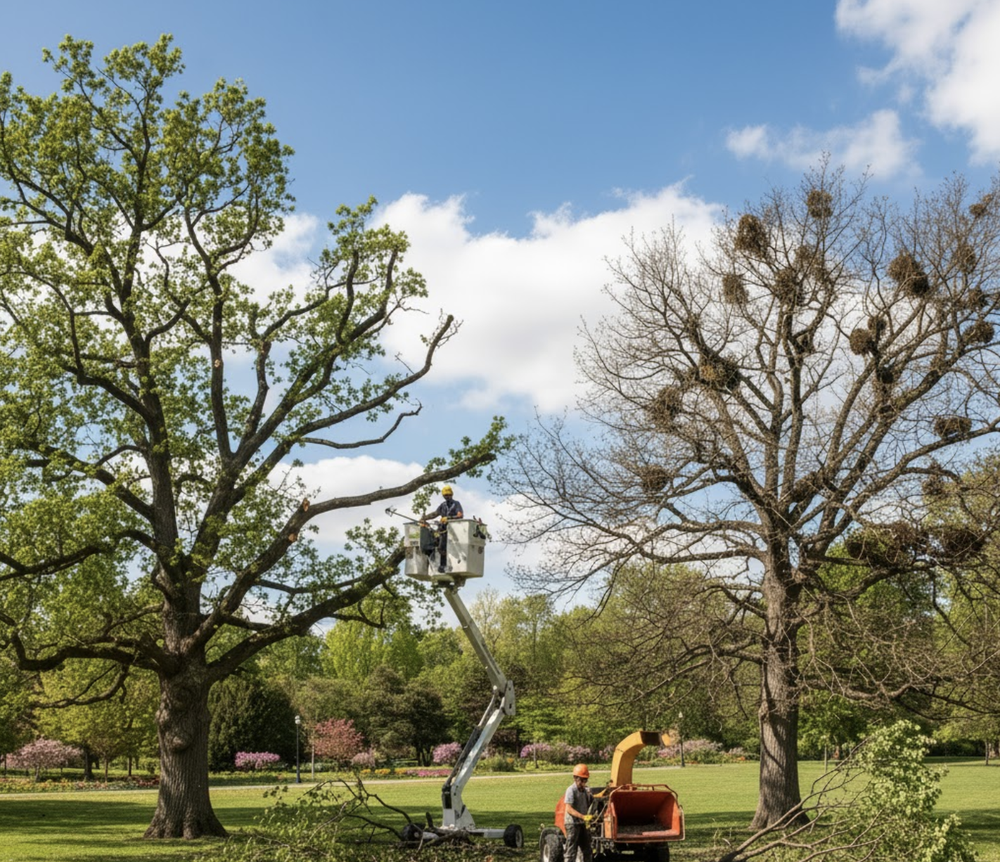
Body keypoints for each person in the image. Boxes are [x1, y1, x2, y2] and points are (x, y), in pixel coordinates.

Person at [421, 485, 463, 573]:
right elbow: (435, 513)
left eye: (449, 495)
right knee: (433, 542)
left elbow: (460, 515)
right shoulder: (443, 505)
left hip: (452, 529)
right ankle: (432, 564)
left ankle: (443, 566)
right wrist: (425, 518)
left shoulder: (456, 504)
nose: (447, 497)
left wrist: (449, 517)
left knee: (442, 547)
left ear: (452, 494)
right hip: (442, 528)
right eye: (445, 495)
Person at [563, 763, 593, 862]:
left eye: (585, 780)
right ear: (575, 778)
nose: (584, 782)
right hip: (572, 823)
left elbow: (592, 801)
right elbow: (569, 809)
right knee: (571, 850)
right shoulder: (571, 790)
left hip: (582, 823)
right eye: (582, 780)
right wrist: (583, 817)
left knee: (587, 850)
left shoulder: (586, 791)